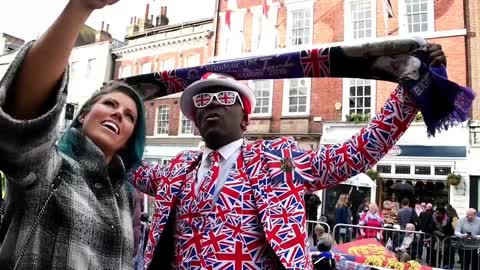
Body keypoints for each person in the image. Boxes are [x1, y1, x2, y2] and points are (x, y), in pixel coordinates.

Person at [129, 45, 448, 269]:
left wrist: (412, 88)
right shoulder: (174, 169)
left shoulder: (277, 159)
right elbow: (126, 164)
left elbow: (355, 153)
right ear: (195, 120)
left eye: (224, 97)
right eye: (202, 101)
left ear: (245, 119)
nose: (212, 104)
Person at [0, 0, 147, 269]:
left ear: (130, 137)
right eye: (110, 104)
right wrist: (81, 6)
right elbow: (22, 124)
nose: (118, 114)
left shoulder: (126, 198)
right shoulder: (49, 168)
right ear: (83, 116)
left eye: (130, 116)